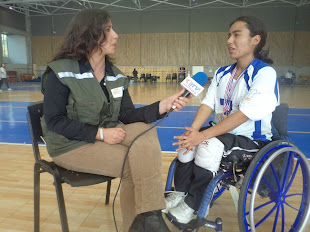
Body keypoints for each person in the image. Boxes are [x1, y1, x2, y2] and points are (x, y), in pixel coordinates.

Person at [41, 9, 190, 232]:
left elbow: (128, 115)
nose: (116, 35)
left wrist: (163, 105)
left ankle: (148, 218)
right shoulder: (61, 72)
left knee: (145, 130)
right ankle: (146, 221)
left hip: (106, 134)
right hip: (70, 145)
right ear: (89, 34)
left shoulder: (116, 75)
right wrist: (100, 134)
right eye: (108, 29)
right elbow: (54, 121)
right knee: (134, 164)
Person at [163, 16, 279, 225]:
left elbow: (244, 114)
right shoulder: (222, 73)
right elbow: (207, 105)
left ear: (255, 40)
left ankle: (195, 205)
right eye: (228, 35)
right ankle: (180, 194)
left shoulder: (264, 73)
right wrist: (193, 132)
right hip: (224, 135)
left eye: (237, 35)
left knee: (206, 145)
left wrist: (203, 135)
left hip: (252, 140)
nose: (229, 40)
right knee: (186, 144)